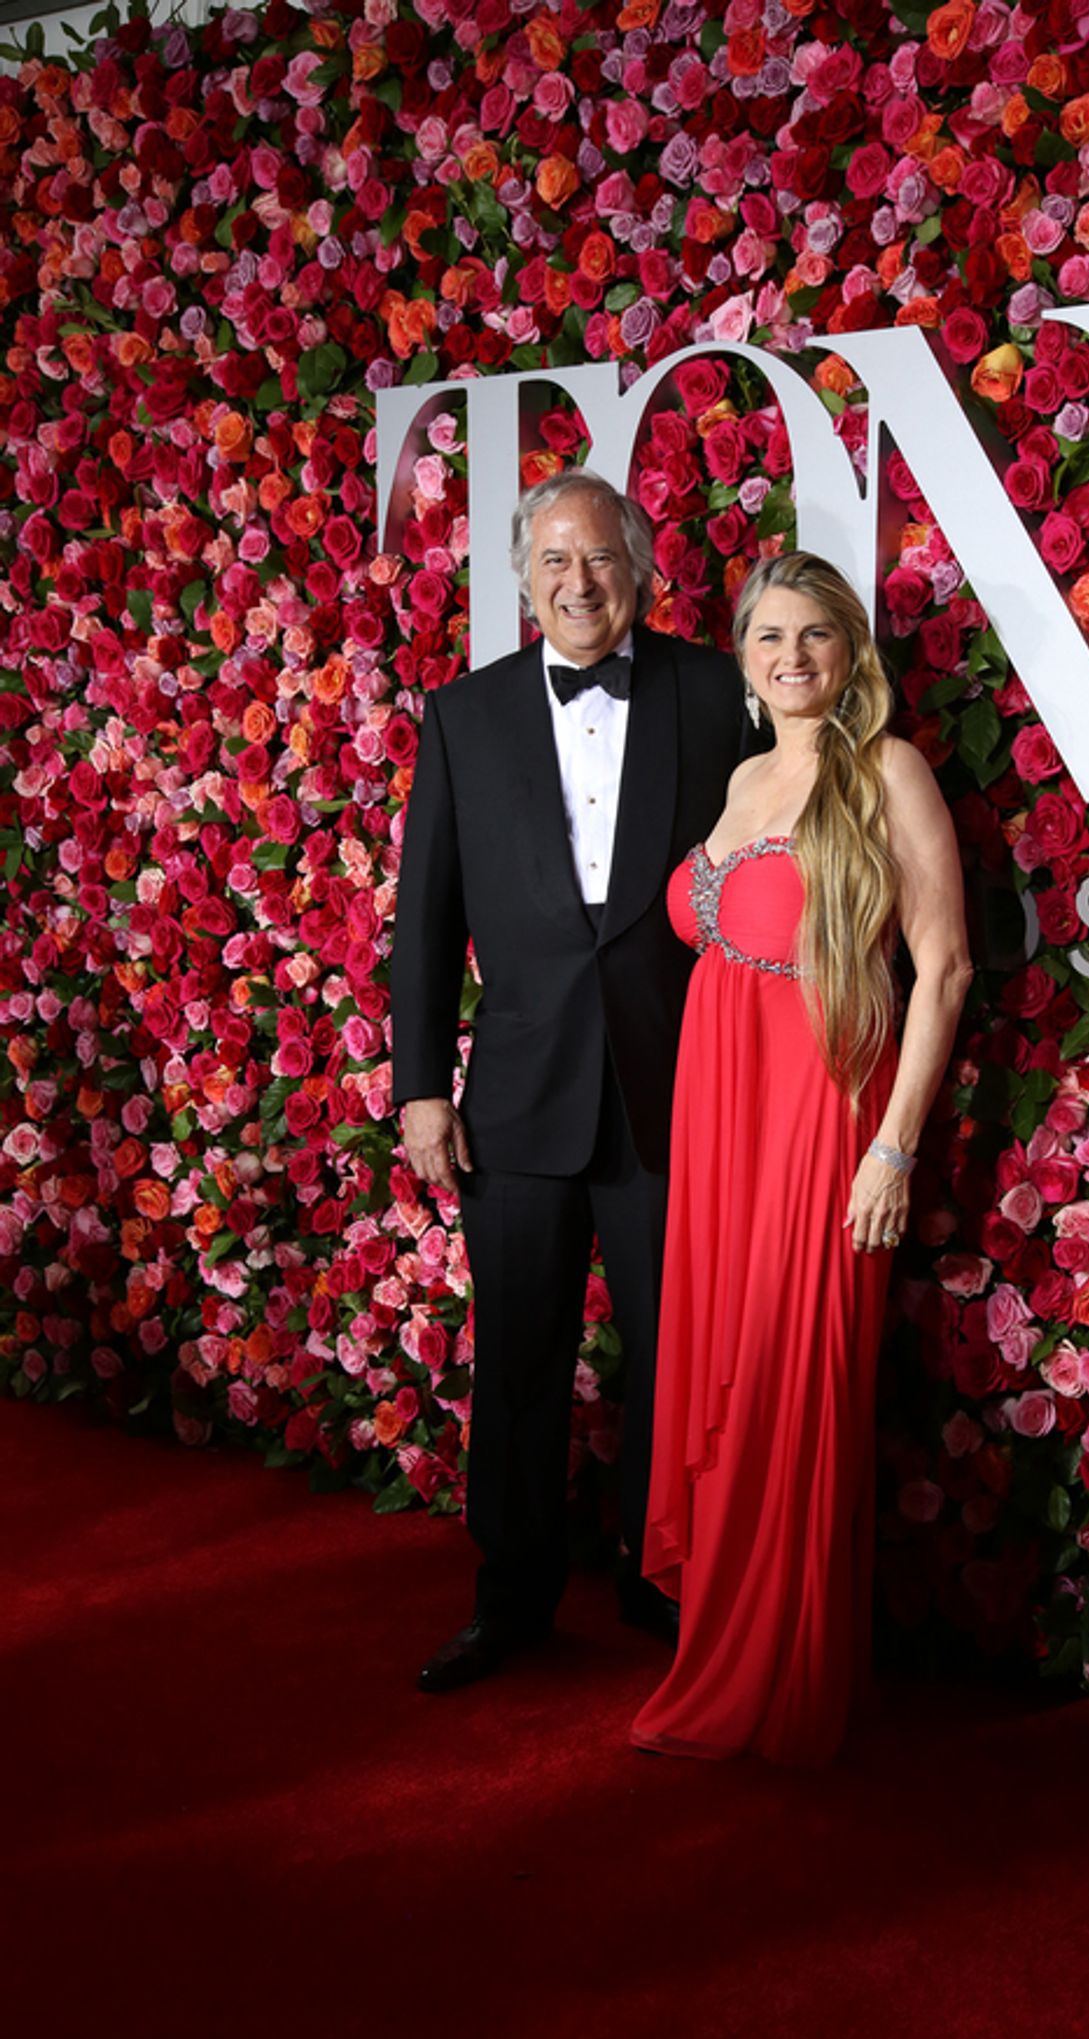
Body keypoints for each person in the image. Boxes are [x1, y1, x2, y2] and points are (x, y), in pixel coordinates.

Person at [390, 468, 747, 1693]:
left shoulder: (716, 690)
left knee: (670, 1353)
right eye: (552, 562)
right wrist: (421, 1086)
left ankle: (657, 1585)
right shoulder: (464, 715)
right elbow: (424, 917)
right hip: (518, 1094)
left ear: (640, 567)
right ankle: (512, 1597)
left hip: (676, 1089)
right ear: (521, 581)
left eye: (597, 558)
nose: (577, 583)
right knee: (521, 1355)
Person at [631, 550, 973, 1765]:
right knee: (725, 1368)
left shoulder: (886, 773)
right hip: (718, 1123)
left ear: (850, 651)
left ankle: (778, 1687)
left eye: (815, 636)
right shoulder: (739, 780)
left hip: (824, 1121)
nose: (792, 658)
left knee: (789, 1385)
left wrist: (890, 1149)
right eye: (769, 638)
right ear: (743, 656)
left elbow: (943, 971)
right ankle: (716, 1655)